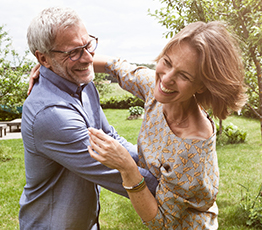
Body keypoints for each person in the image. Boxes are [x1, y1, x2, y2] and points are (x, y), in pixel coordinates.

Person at [87, 21, 247, 229]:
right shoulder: (154, 88)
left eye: (184, 75)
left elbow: (162, 222)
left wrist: (127, 167)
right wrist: (55, 68)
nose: (167, 79)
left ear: (201, 86)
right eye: (167, 62)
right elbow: (114, 65)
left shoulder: (193, 149)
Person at [19, 6, 158, 230]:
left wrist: (158, 163)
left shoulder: (82, 84)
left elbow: (111, 139)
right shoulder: (50, 114)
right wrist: (179, 187)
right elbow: (114, 169)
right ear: (43, 58)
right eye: (73, 52)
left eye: (88, 44)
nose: (88, 57)